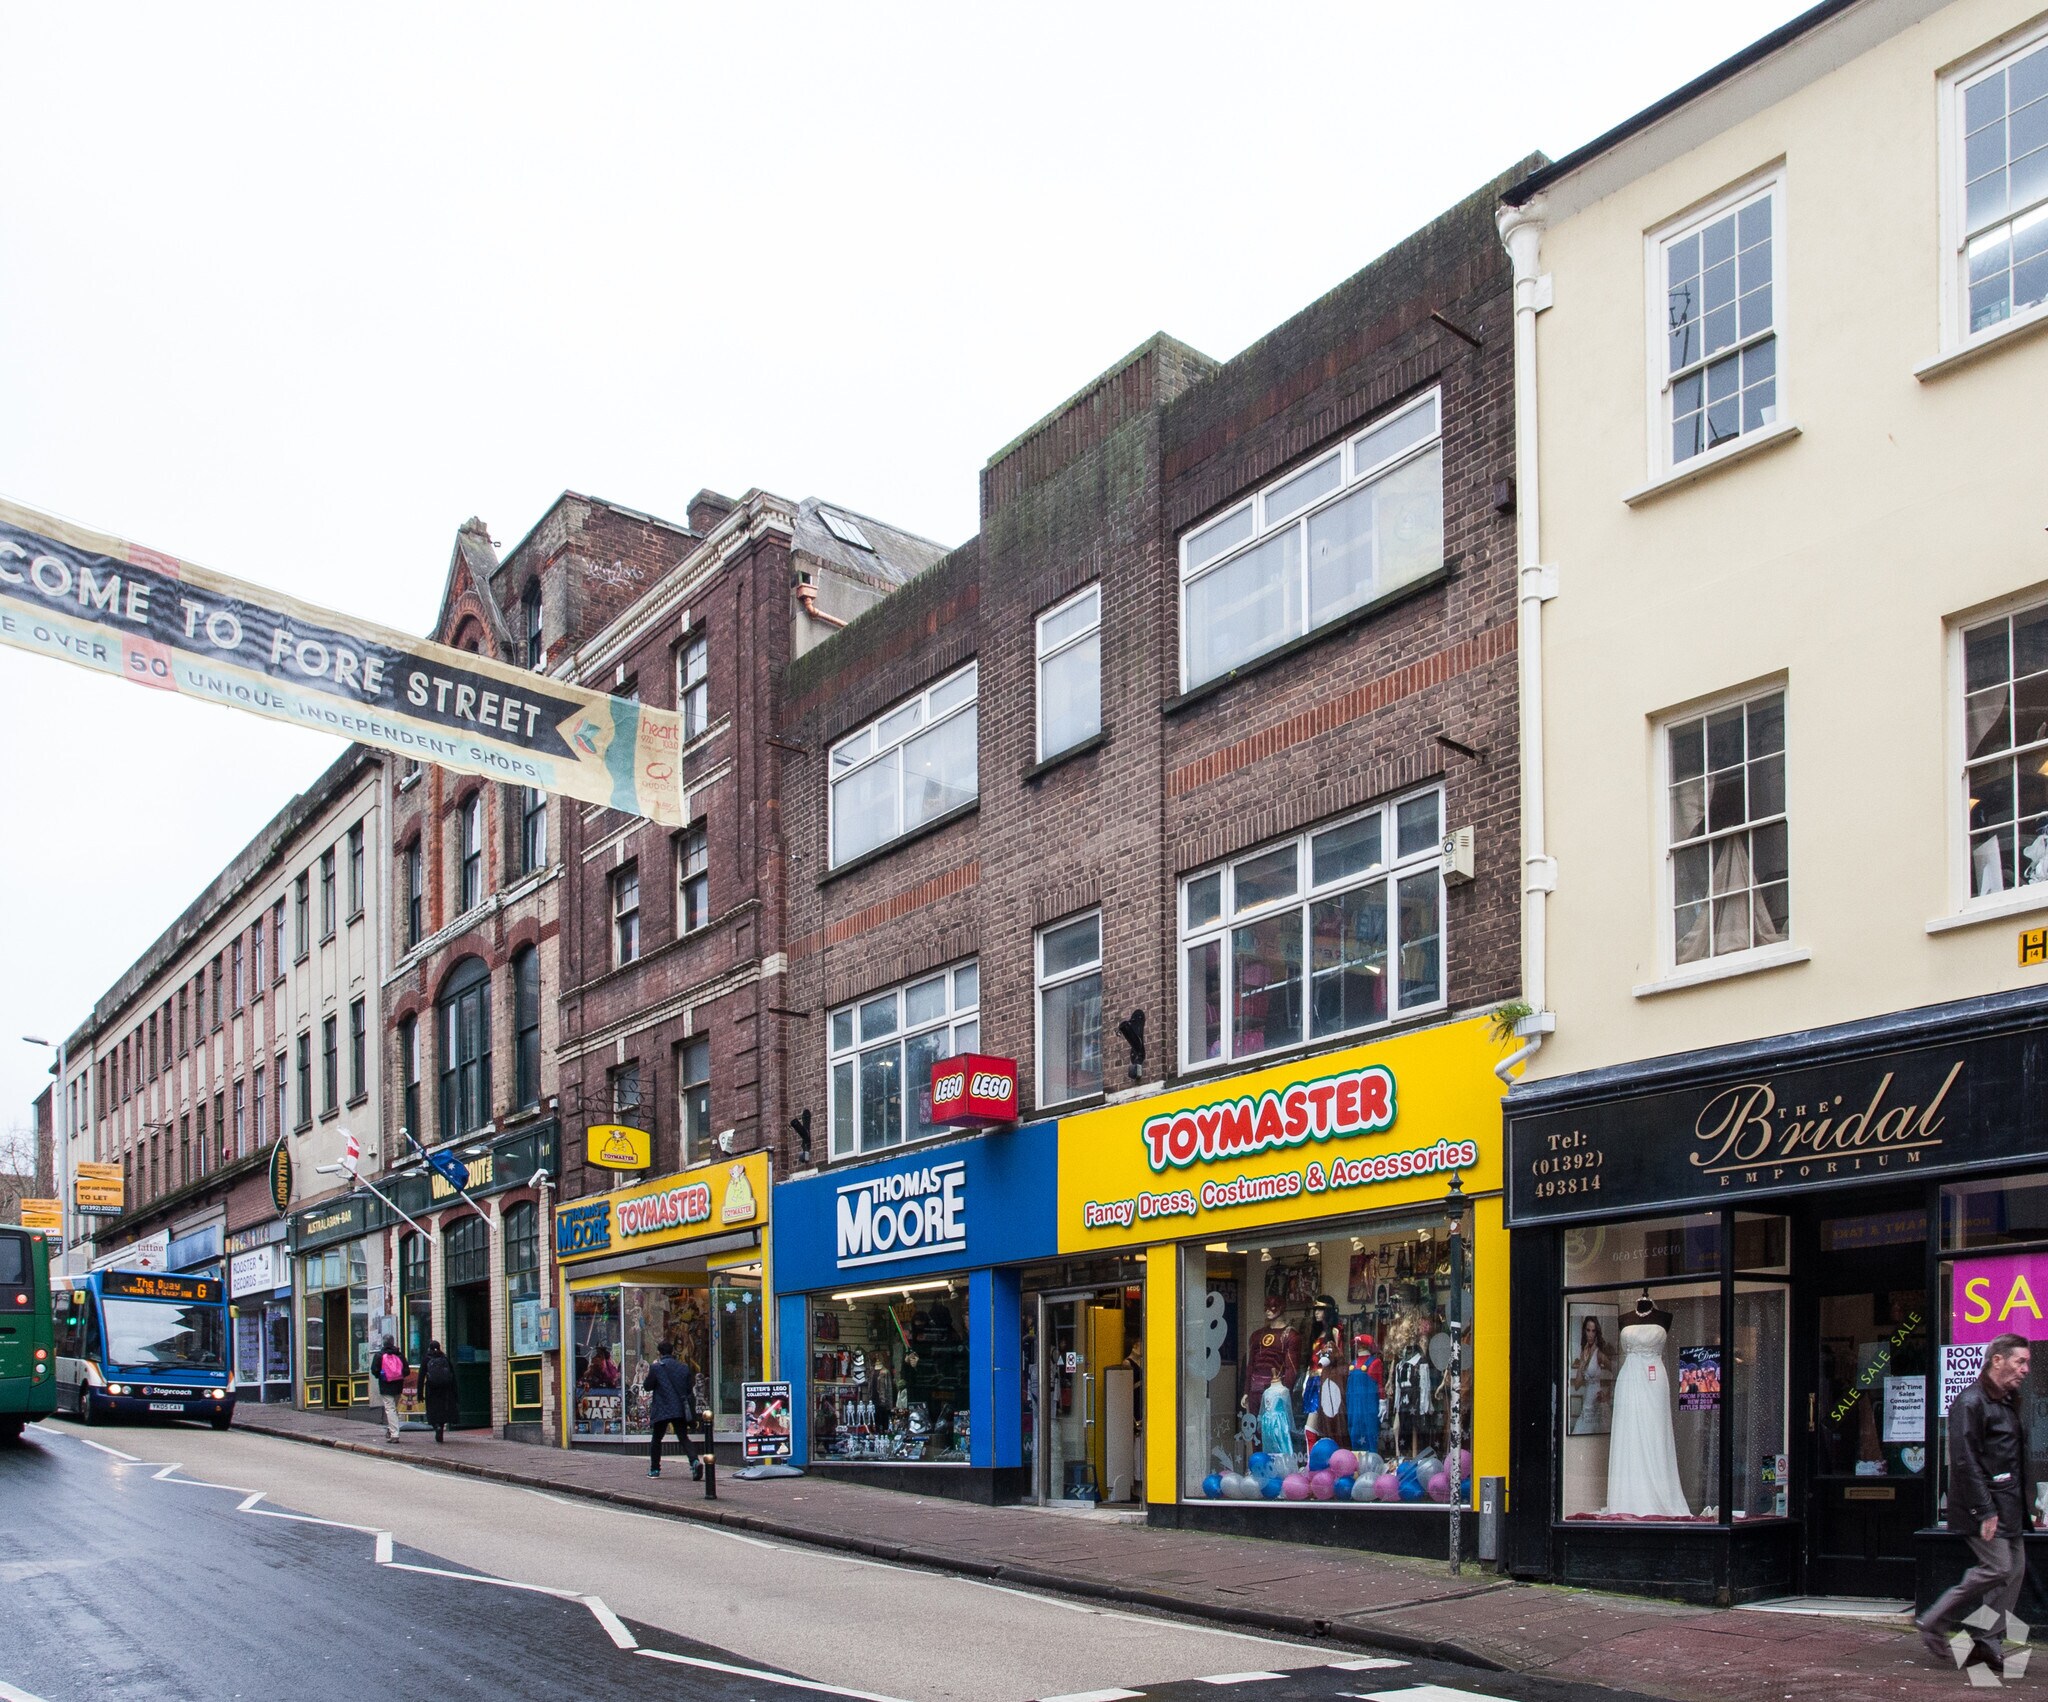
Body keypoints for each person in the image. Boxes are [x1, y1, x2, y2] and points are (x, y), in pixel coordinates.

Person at [1919, 1333, 2034, 1674]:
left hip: (2010, 1504)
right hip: (1982, 1505)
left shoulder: (2008, 1399)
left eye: (2027, 1362)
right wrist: (1985, 1510)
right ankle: (1933, 1619)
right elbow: (1965, 1461)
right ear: (1997, 1360)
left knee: (2014, 1572)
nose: (2025, 1369)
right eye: (2020, 1361)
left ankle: (1988, 1642)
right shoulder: (1970, 1402)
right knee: (1997, 1568)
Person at [643, 1337, 704, 1480]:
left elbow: (647, 1386)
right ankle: (694, 1461)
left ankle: (655, 1469)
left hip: (662, 1408)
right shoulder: (683, 1367)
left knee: (657, 1439)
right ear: (672, 1352)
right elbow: (689, 1389)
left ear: (659, 1353)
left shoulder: (657, 1367)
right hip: (679, 1409)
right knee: (683, 1437)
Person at [419, 1339, 458, 1444]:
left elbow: (421, 1376)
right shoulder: (444, 1358)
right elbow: (452, 1376)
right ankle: (440, 1426)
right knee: (442, 1410)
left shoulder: (426, 1359)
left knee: (432, 1410)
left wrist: (419, 1394)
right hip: (445, 1389)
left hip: (431, 1389)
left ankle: (436, 1426)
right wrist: (455, 1392)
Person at [372, 1335, 409, 1443]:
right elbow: (406, 1371)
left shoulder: (379, 1355)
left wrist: (382, 1375)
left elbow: (374, 1370)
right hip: (398, 1385)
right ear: (393, 1342)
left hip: (385, 1385)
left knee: (390, 1409)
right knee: (394, 1409)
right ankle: (391, 1429)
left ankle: (394, 1434)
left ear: (383, 1343)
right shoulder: (400, 1355)